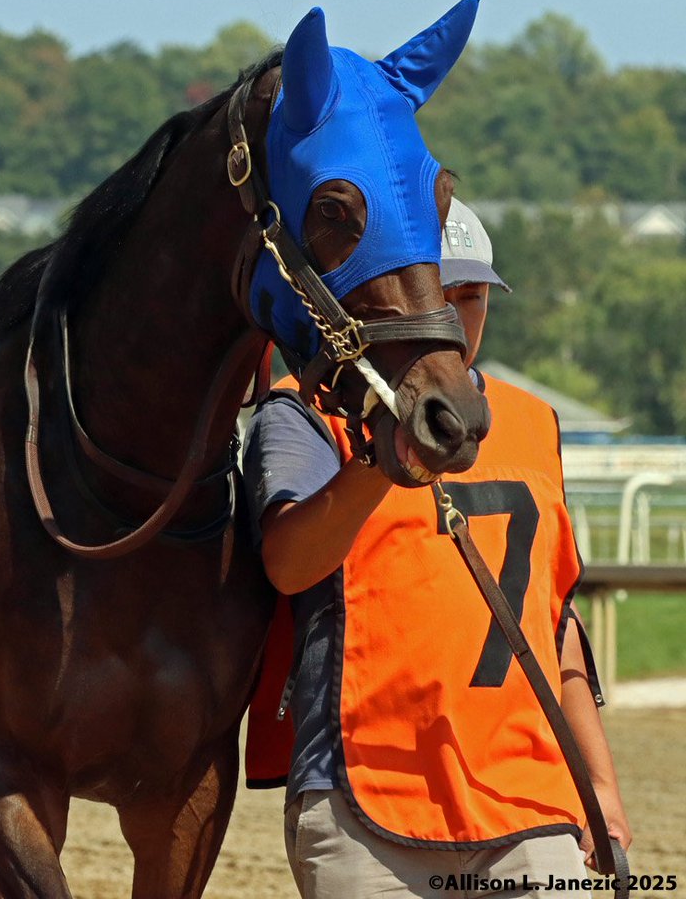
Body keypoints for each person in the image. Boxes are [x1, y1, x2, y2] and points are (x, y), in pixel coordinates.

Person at [243, 197, 631, 898]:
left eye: (470, 294)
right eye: (439, 291)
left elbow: (554, 626)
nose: (451, 314)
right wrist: (388, 457)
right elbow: (288, 564)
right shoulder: (303, 412)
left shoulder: (532, 420)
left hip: (531, 796)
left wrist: (599, 784)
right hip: (363, 790)